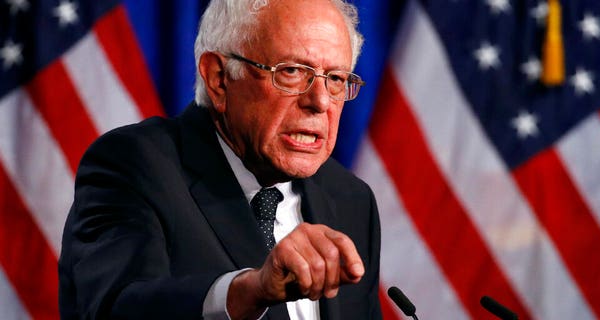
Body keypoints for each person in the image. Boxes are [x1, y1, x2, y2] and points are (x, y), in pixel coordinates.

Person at [58, 0, 382, 319]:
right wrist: (251, 291)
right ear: (219, 78)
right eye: (292, 71)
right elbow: (117, 308)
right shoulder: (135, 165)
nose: (320, 101)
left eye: (336, 79)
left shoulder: (351, 199)